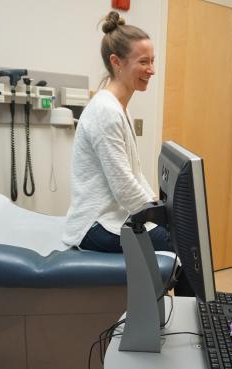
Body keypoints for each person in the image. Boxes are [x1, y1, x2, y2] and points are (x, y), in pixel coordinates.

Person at [63, 12, 169, 253]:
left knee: (173, 234)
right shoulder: (106, 111)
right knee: (169, 240)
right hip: (93, 226)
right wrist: (161, 217)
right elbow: (123, 186)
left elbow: (134, 174)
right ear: (116, 62)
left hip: (109, 217)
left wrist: (157, 205)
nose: (151, 70)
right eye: (143, 62)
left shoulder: (118, 108)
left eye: (153, 61)